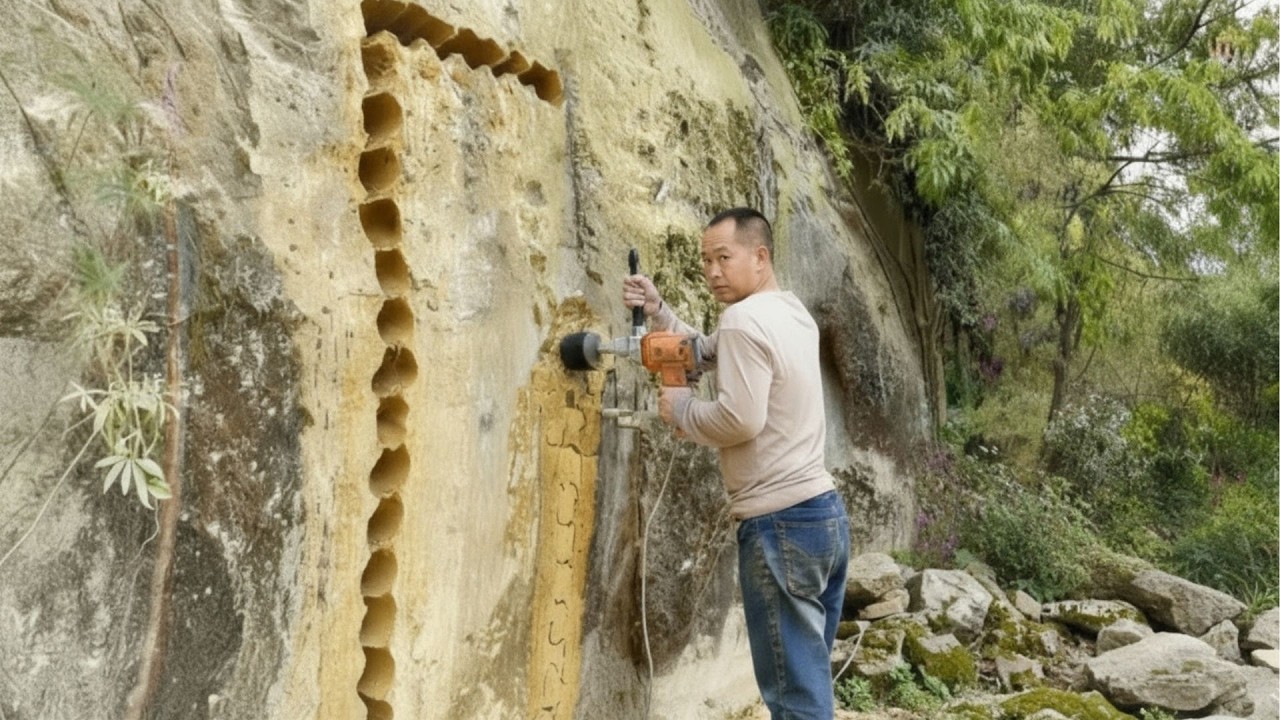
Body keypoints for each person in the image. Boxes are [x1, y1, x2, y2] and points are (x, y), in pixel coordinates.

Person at [623, 207, 851, 719]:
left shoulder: (744, 320)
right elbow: (704, 351)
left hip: (780, 525)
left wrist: (682, 411)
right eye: (706, 260)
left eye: (723, 257)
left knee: (796, 702)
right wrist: (659, 311)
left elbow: (740, 420)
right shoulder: (790, 312)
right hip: (824, 518)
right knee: (808, 681)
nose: (711, 271)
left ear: (760, 255)